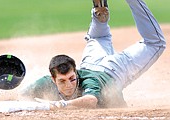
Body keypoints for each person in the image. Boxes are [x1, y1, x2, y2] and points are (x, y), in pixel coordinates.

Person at [23, 0, 166, 109]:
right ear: (53, 79)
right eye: (62, 81)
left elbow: (91, 100)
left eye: (72, 79)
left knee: (156, 43)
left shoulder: (89, 82)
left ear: (76, 72)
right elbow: (23, 95)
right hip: (90, 61)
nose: (69, 85)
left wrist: (58, 105)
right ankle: (99, 16)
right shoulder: (46, 82)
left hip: (115, 70)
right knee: (98, 39)